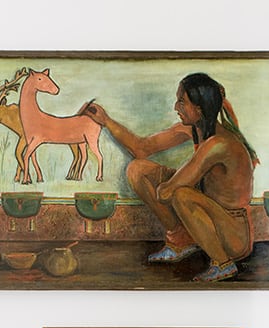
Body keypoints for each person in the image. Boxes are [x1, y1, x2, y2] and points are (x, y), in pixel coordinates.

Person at [82, 73, 258, 282]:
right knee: (137, 169)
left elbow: (167, 192)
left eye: (182, 102)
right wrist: (105, 121)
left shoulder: (218, 144)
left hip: (233, 236)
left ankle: (223, 263)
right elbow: (141, 148)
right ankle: (180, 240)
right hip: (209, 217)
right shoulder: (194, 129)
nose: (176, 107)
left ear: (199, 108)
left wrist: (166, 185)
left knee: (180, 193)